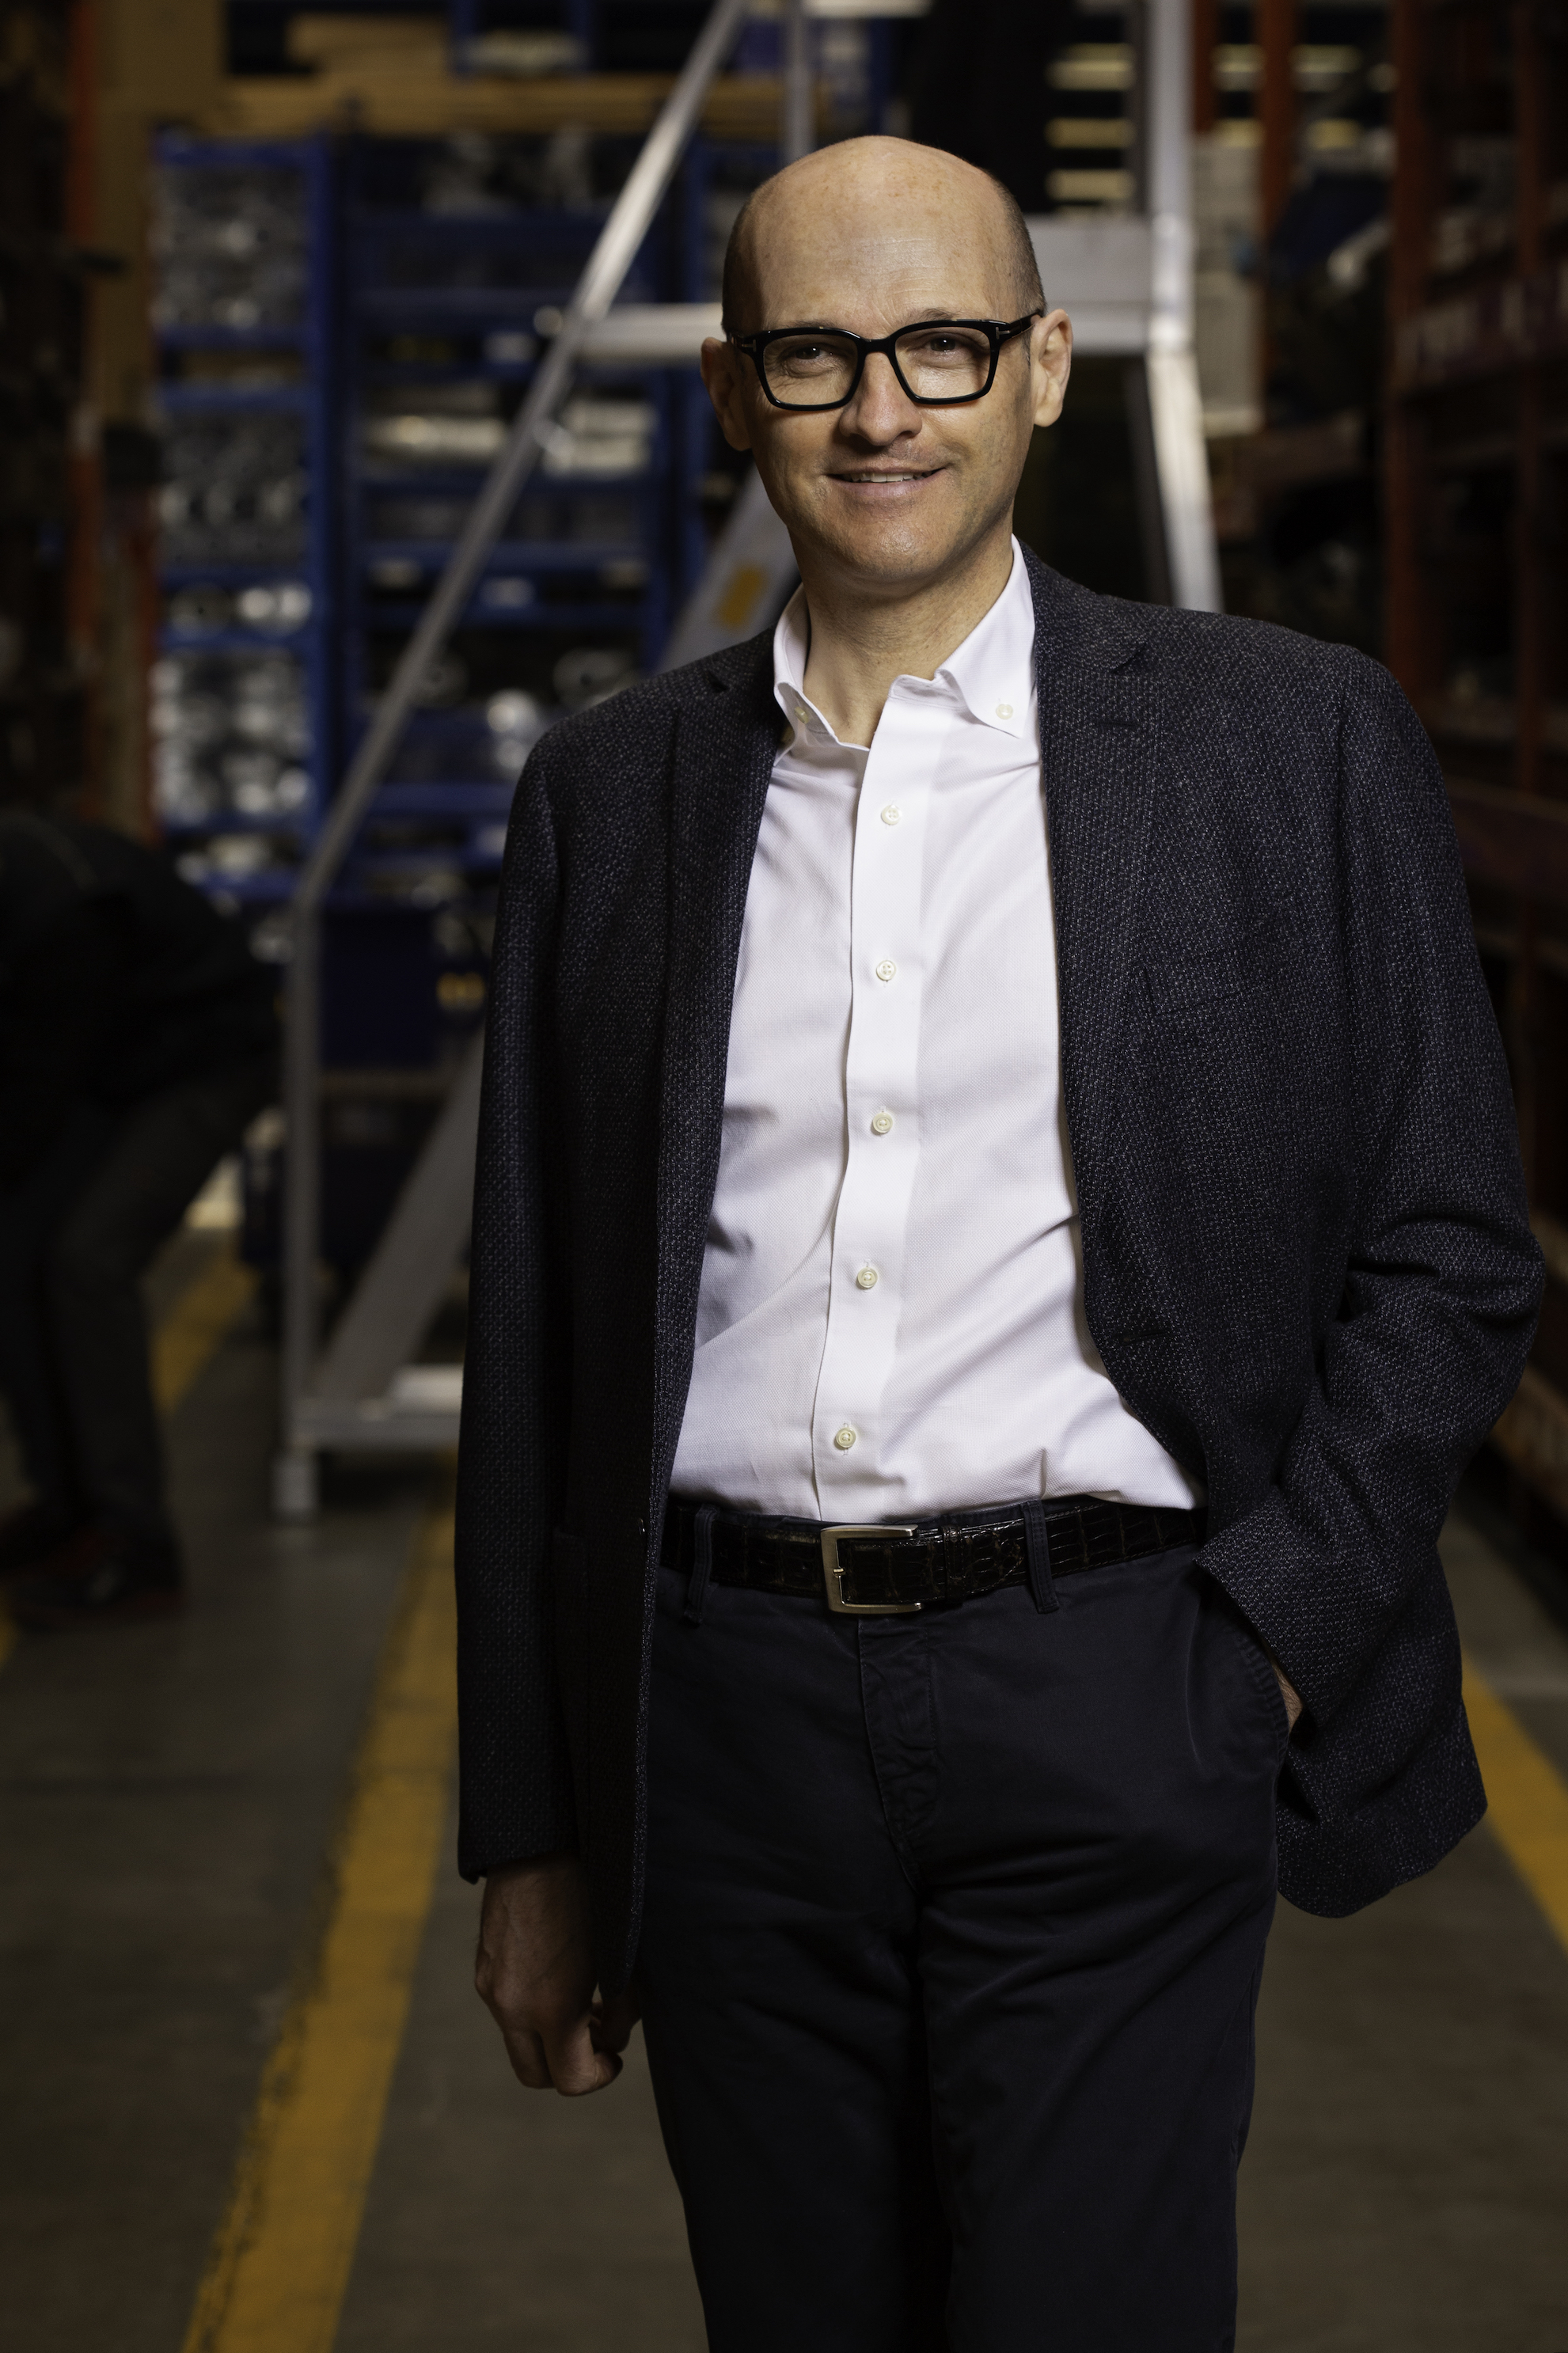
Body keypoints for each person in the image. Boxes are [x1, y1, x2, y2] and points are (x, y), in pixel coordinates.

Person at [456, 139, 1540, 2349]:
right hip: (721, 1719)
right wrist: (538, 1825)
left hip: (1114, 1685)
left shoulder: (1284, 742)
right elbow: (542, 1340)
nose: (884, 409)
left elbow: (1448, 1243)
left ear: (1041, 366)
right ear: (733, 391)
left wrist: (1257, 1641)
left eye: (942, 344)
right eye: (817, 354)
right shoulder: (609, 794)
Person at [0, 806, 277, 1626]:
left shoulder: (63, 909)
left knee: (87, 1261)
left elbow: (35, 1093)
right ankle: (69, 1508)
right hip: (113, 1066)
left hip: (204, 1064)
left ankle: (136, 1544)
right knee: (14, 1256)